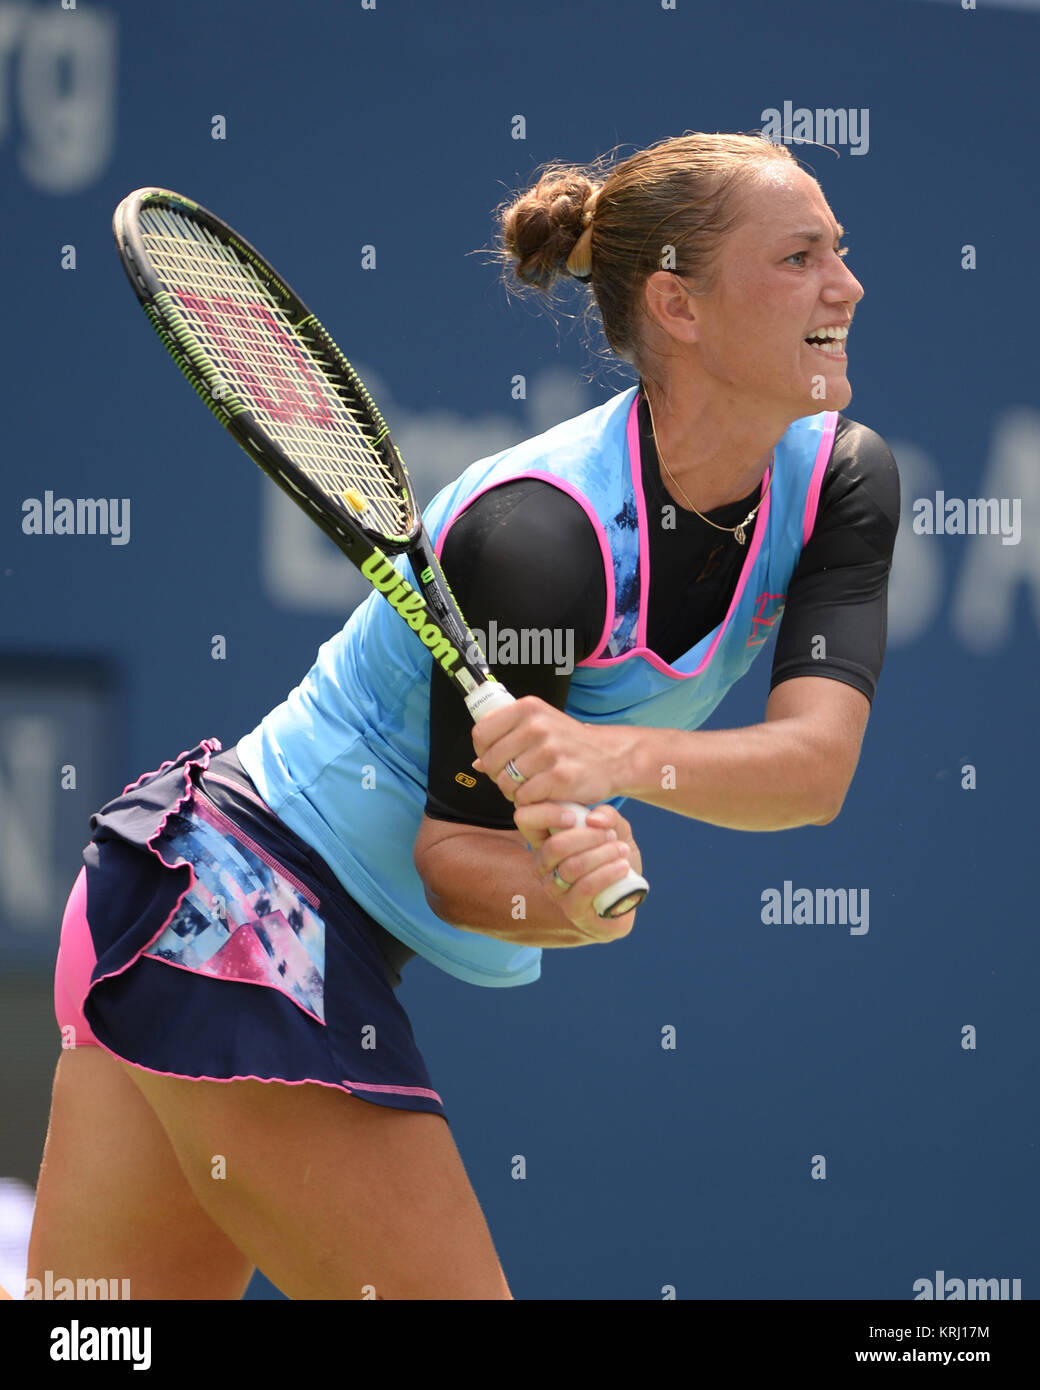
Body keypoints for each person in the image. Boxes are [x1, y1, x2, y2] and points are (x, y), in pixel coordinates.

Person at [28, 132, 898, 1301]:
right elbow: (451, 862)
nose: (845, 285)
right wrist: (581, 837)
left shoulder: (843, 479)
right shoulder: (535, 536)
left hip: (186, 920)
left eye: (836, 251)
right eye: (798, 257)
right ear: (675, 303)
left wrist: (585, 880)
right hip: (230, 918)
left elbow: (812, 770)